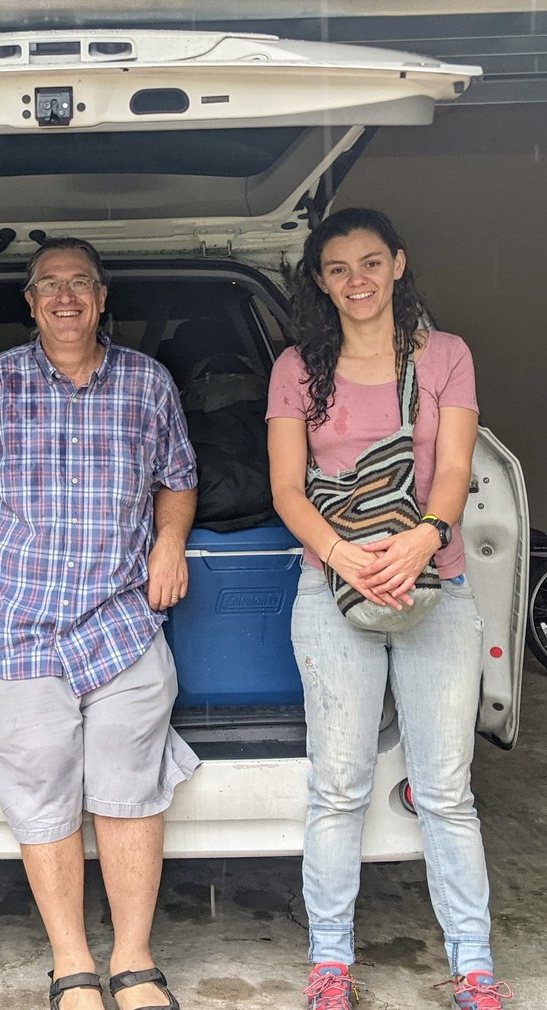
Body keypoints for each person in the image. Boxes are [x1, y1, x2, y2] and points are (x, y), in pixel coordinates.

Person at [0, 237, 199, 1010]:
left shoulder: (148, 384)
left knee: (131, 795)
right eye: (49, 286)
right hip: (17, 631)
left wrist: (169, 542)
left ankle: (132, 962)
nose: (66, 298)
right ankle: (71, 965)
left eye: (81, 285)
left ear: (101, 299)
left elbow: (180, 478)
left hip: (120, 626)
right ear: (29, 304)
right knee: (43, 799)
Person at [266, 207, 512, 1010]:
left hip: (435, 589)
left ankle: (474, 968)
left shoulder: (445, 356)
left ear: (399, 265)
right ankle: (329, 966)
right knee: (338, 789)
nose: (357, 281)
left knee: (445, 792)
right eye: (338, 269)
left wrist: (421, 542)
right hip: (331, 591)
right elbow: (286, 489)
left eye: (371, 263)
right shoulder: (297, 368)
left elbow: (454, 469)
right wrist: (343, 557)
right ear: (319, 281)